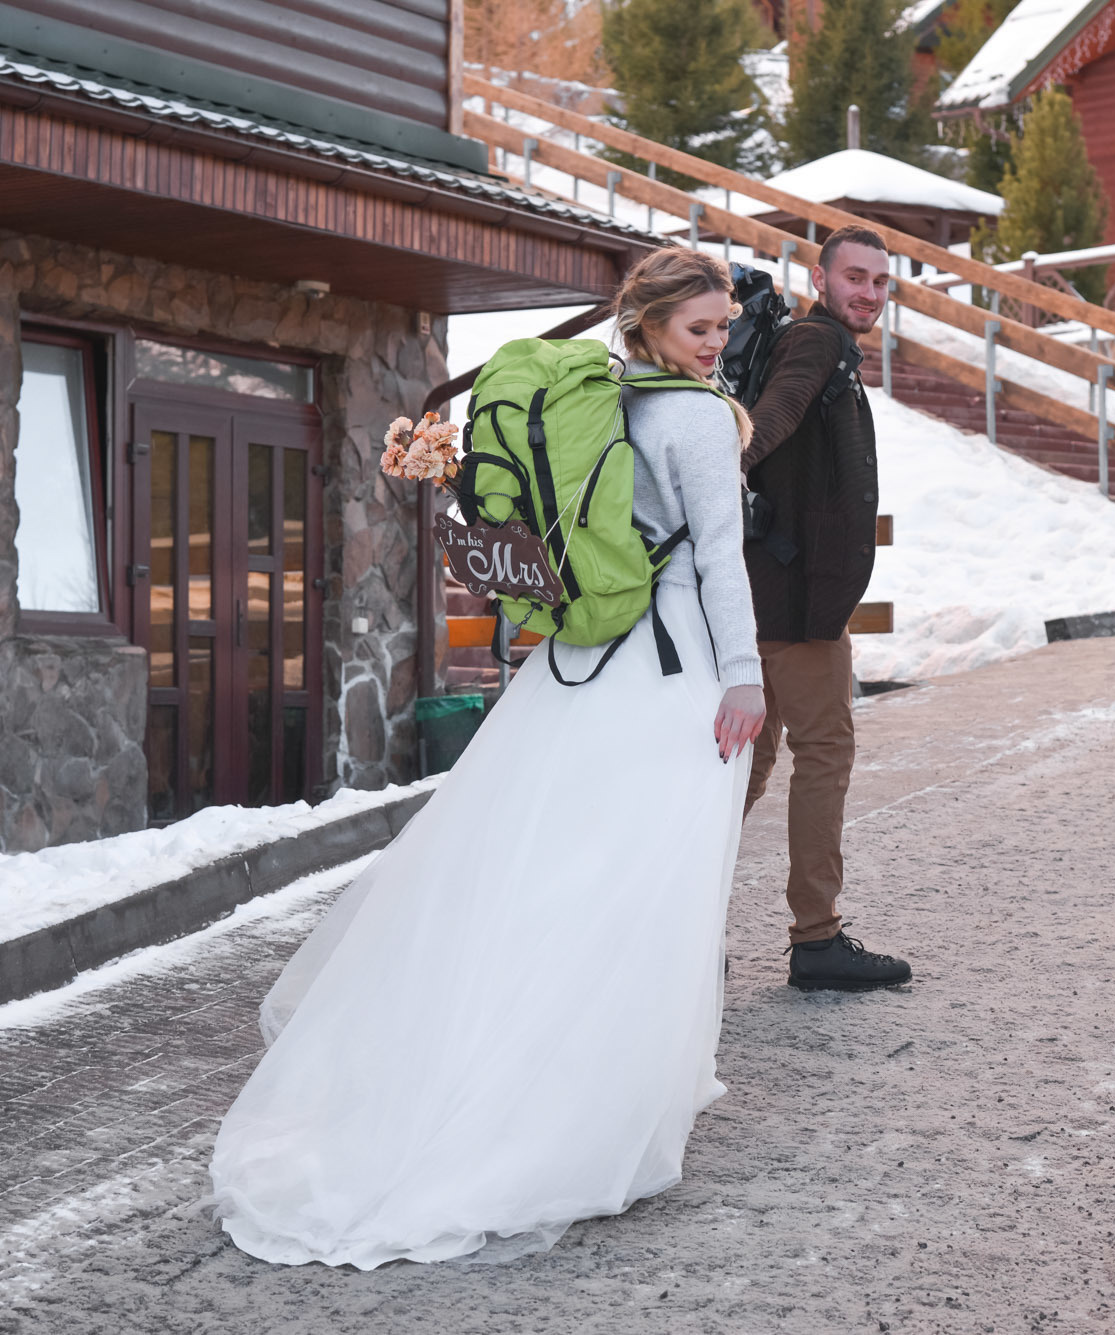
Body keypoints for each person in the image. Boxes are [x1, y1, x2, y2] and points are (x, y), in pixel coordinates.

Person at [209, 248, 768, 1269]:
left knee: (537, 878)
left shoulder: (593, 402)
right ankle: (588, 1117)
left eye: (723, 327)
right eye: (700, 328)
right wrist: (744, 675)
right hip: (667, 668)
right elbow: (719, 554)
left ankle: (501, 1086)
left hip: (573, 672)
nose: (716, 343)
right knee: (639, 892)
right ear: (646, 326)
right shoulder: (686, 416)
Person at [741, 224, 912, 992]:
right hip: (797, 605)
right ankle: (816, 938)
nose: (869, 293)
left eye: (880, 282)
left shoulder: (817, 342)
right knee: (824, 755)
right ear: (820, 275)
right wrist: (729, 469)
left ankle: (673, 912)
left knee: (751, 764)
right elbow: (770, 420)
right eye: (855, 277)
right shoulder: (816, 345)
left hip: (770, 595)